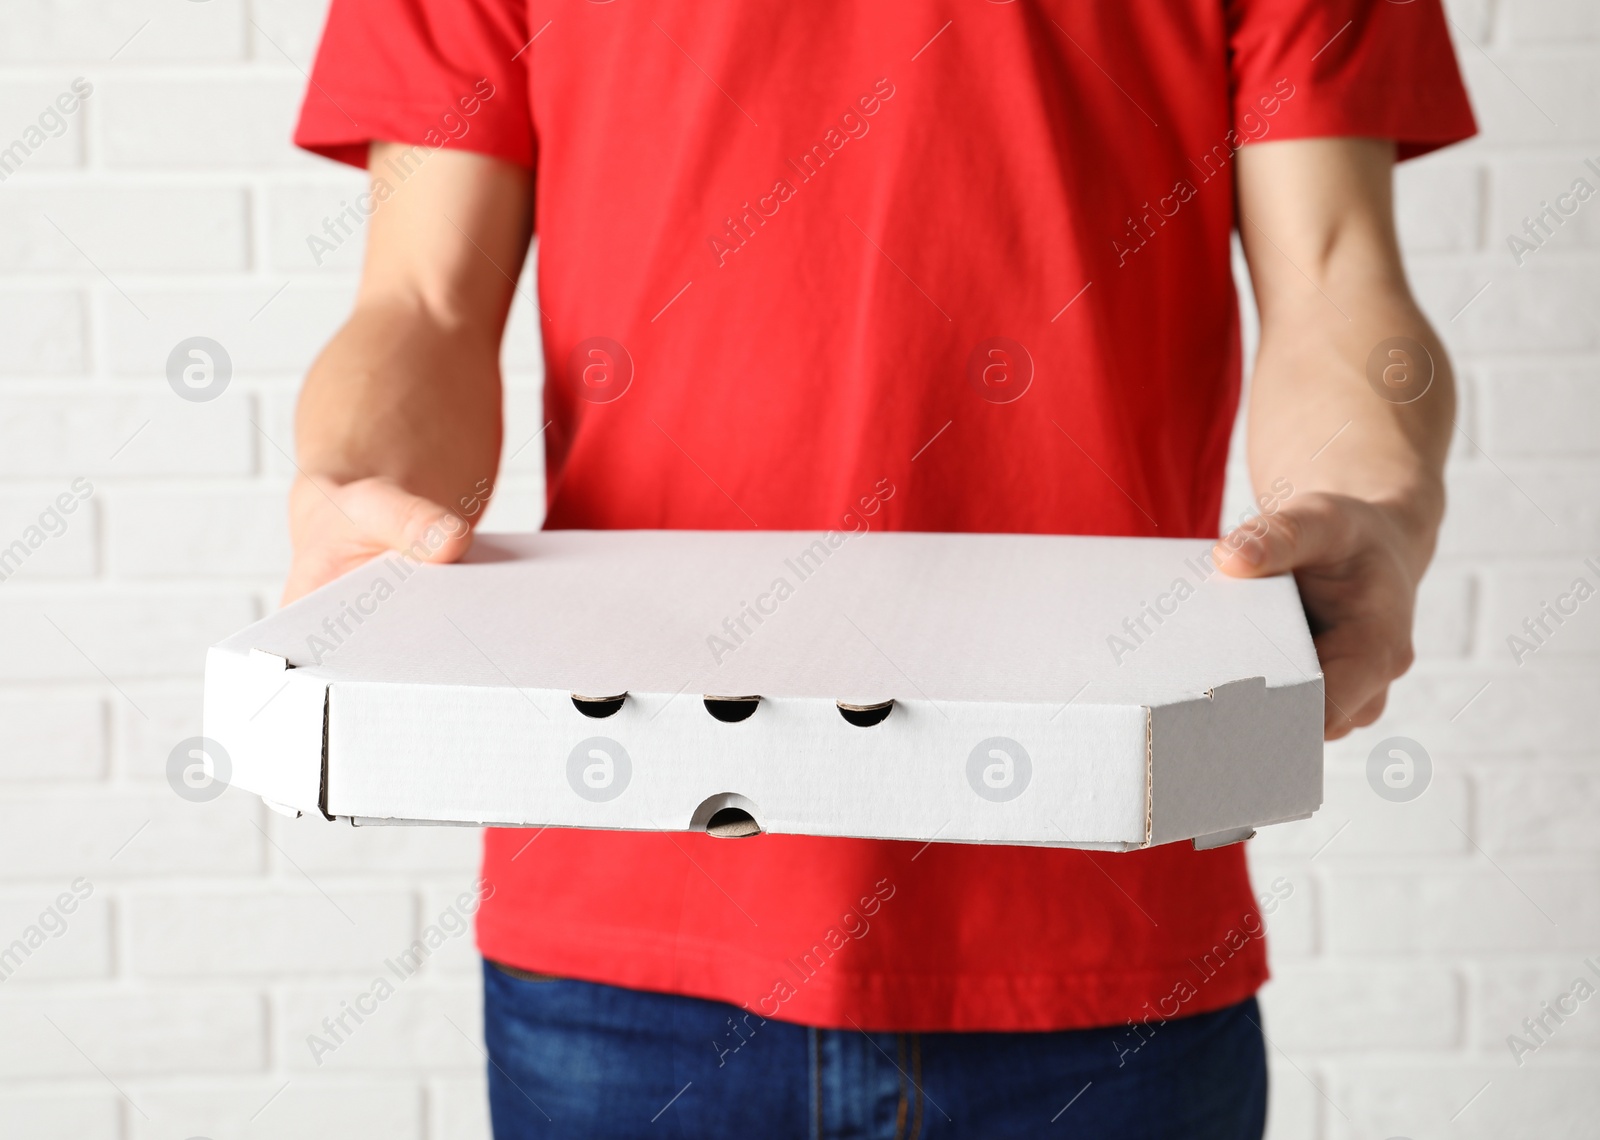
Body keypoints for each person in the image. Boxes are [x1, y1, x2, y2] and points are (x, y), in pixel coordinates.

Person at [285, 1, 1474, 1135]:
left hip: (1106, 909)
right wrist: (357, 489)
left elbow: (1332, 274)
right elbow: (423, 300)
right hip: (625, 914)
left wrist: (1376, 501)